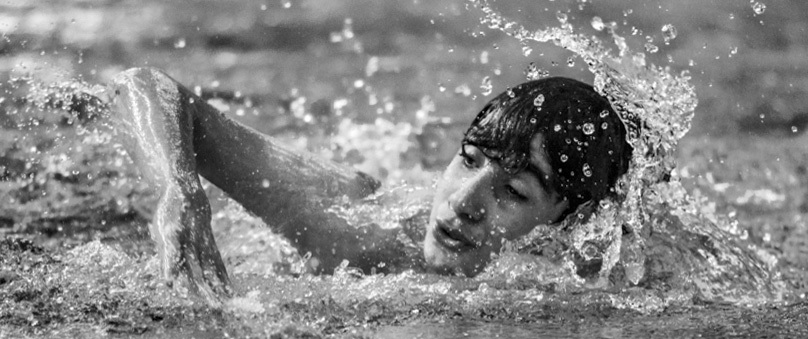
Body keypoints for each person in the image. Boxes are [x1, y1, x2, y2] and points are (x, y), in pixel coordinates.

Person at [111, 68, 632, 304]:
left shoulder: (601, 281)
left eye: (513, 192)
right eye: (468, 160)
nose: (463, 201)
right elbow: (145, 86)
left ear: (572, 219)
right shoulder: (359, 227)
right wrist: (178, 189)